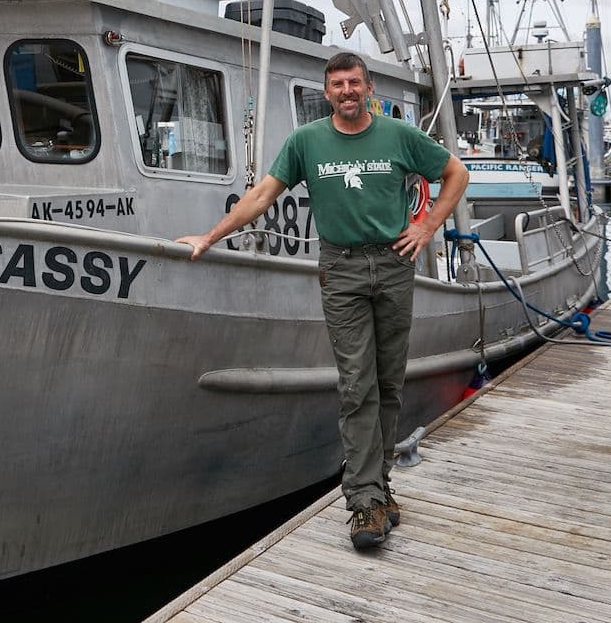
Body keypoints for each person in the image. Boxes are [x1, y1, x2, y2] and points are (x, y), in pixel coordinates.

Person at [177, 51, 469, 551]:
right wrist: (210, 236)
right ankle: (363, 503)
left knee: (389, 380)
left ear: (368, 88)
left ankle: (379, 484)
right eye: (337, 85)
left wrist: (426, 226)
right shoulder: (306, 141)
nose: (347, 92)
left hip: (395, 265)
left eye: (354, 83)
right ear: (327, 91)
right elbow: (261, 196)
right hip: (342, 269)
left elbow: (456, 173)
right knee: (358, 384)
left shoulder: (398, 136)